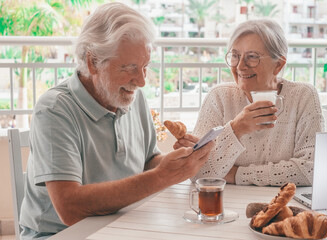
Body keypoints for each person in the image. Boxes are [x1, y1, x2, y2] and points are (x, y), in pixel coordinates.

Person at [19, 3, 213, 239]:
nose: (141, 81)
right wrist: (162, 176)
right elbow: (70, 209)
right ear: (92, 62)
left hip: (120, 226)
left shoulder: (132, 96)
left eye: (145, 67)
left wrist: (178, 163)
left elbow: (148, 162)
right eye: (130, 68)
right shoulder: (55, 110)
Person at [174, 19, 324, 187]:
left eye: (252, 57)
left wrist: (237, 174)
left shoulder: (303, 96)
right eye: (235, 56)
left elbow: (310, 170)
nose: (240, 66)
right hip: (226, 204)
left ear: (278, 65)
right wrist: (236, 128)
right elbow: (198, 174)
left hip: (283, 202)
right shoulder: (219, 97)